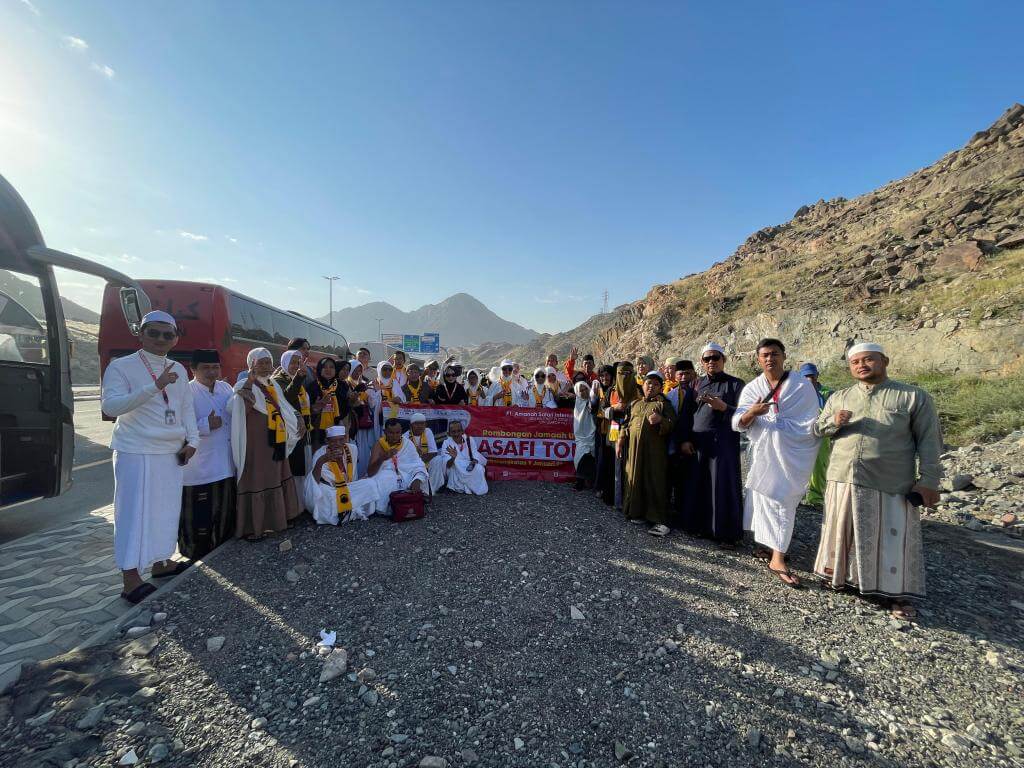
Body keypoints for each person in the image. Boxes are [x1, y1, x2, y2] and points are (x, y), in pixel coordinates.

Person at [812, 343, 941, 620]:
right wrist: (834, 421)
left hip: (890, 480)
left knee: (889, 538)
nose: (861, 365)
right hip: (843, 477)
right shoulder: (840, 397)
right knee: (841, 533)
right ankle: (841, 579)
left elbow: (930, 442)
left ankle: (893, 592)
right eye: (855, 362)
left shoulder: (912, 397)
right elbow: (817, 428)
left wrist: (929, 480)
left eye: (868, 359)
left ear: (884, 360)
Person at [101, 310, 199, 603]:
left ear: (176, 338)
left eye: (167, 334)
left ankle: (162, 562)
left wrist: (192, 439)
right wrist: (155, 386)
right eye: (153, 333)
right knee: (134, 514)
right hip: (136, 450)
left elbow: (186, 407)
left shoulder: (178, 369)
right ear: (140, 334)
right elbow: (112, 407)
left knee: (166, 511)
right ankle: (130, 578)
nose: (160, 339)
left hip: (170, 451)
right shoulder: (121, 367)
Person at [733, 339, 820, 588]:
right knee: (762, 499)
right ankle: (768, 548)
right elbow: (738, 421)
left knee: (783, 502)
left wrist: (778, 425)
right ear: (758, 359)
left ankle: (778, 557)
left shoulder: (801, 386)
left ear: (784, 356)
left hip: (791, 455)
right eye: (764, 355)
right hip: (763, 455)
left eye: (774, 354)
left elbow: (809, 422)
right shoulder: (753, 387)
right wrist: (753, 413)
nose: (769, 359)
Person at [230, 347, 302, 540]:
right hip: (256, 445)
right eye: (260, 363)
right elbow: (235, 411)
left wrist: (298, 419)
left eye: (268, 362)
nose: (264, 367)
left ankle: (280, 520)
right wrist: (247, 386)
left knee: (277, 475)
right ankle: (256, 527)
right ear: (251, 364)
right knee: (258, 479)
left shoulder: (273, 384)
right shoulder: (242, 385)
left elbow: (285, 407)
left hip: (275, 440)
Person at [180, 349, 236, 562]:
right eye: (206, 368)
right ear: (193, 369)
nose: (212, 372)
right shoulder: (186, 392)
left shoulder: (225, 388)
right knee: (198, 518)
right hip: (199, 469)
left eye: (215, 367)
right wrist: (204, 425)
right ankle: (195, 557)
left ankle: (220, 554)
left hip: (225, 464)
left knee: (223, 515)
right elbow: (175, 429)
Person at [689, 343, 745, 544]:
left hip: (724, 444)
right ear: (702, 363)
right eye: (707, 359)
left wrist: (724, 407)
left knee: (723, 486)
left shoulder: (736, 384)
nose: (711, 361)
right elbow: (689, 413)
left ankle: (727, 534)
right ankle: (702, 528)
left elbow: (745, 415)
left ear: (724, 360)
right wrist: (686, 439)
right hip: (700, 444)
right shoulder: (696, 384)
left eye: (715, 358)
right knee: (701, 485)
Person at [619, 372, 677, 537]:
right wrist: (621, 439)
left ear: (660, 388)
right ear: (642, 385)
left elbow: (673, 424)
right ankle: (637, 512)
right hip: (634, 450)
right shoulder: (635, 403)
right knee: (635, 478)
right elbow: (627, 422)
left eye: (655, 384)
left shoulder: (664, 404)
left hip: (655, 453)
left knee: (655, 481)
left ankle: (661, 521)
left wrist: (661, 420)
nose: (651, 386)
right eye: (648, 383)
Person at [305, 425, 378, 524]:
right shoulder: (320, 453)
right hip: (331, 490)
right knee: (323, 494)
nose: (337, 444)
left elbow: (352, 477)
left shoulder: (352, 449)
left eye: (340, 440)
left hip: (348, 486)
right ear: (327, 441)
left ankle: (347, 510)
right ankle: (347, 511)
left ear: (345, 439)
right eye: (333, 441)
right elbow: (314, 482)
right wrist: (322, 461)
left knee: (370, 483)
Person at [272, 350, 312, 506]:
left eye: (298, 362)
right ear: (284, 362)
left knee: (302, 465)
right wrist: (299, 377)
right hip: (289, 431)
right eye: (293, 362)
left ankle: (302, 503)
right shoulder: (278, 381)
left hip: (303, 430)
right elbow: (287, 398)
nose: (296, 365)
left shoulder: (298, 379)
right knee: (293, 467)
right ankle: (292, 505)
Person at [366, 417, 429, 513]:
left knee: (419, 478)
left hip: (405, 476)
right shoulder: (378, 445)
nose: (395, 436)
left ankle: (409, 503)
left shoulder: (407, 444)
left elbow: (418, 464)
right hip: (384, 477)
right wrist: (382, 458)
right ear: (385, 432)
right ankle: (389, 508)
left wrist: (417, 480)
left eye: (398, 433)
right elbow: (370, 472)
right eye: (391, 433)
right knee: (382, 481)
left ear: (401, 432)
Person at [665, 360, 697, 525]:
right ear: (675, 376)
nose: (684, 377)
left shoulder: (699, 393)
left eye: (687, 373)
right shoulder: (670, 395)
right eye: (680, 374)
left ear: (694, 374)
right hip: (674, 441)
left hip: (694, 441)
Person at [800, 362, 833, 507]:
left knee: (819, 466)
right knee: (797, 465)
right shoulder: (796, 394)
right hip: (801, 434)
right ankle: (796, 496)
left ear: (817, 376)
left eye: (812, 376)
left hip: (822, 435)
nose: (809, 380)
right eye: (806, 376)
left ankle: (816, 497)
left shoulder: (828, 393)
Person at [612, 361, 642, 510]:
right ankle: (617, 501)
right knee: (615, 466)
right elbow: (600, 410)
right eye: (620, 374)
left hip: (632, 433)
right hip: (613, 430)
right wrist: (614, 408)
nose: (623, 377)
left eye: (627, 374)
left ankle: (629, 502)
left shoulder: (639, 391)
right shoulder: (612, 391)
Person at [439, 419, 488, 494]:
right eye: (453, 432)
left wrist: (474, 462)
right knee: (454, 469)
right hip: (454, 467)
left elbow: (475, 454)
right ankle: (462, 487)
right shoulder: (446, 443)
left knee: (479, 468)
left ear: (462, 431)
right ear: (449, 433)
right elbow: (447, 465)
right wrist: (453, 458)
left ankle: (470, 487)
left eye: (458, 431)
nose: (456, 434)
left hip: (469, 465)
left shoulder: (469, 440)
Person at [592, 365, 617, 505]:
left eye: (607, 375)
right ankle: (600, 486)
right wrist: (594, 397)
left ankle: (611, 488)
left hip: (613, 428)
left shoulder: (615, 391)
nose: (604, 378)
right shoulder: (598, 390)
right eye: (602, 376)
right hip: (601, 429)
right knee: (601, 457)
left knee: (612, 456)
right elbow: (593, 409)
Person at [405, 412, 447, 492]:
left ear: (425, 424)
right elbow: (407, 457)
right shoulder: (405, 437)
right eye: (416, 424)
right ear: (411, 426)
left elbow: (434, 452)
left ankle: (433, 487)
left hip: (426, 460)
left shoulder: (427, 431)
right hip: (412, 464)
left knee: (438, 459)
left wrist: (421, 463)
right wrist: (419, 464)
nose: (420, 426)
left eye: (422, 423)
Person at [347, 360, 375, 477]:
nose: (358, 372)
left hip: (364, 425)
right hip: (352, 424)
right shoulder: (346, 384)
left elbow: (372, 404)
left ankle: (364, 475)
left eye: (360, 370)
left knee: (364, 452)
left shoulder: (364, 384)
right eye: (355, 370)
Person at [308, 357, 341, 449]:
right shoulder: (313, 386)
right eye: (325, 367)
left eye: (331, 367)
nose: (328, 370)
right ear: (319, 369)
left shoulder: (341, 386)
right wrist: (316, 408)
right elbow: (307, 409)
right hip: (317, 430)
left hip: (338, 430)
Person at [369, 360, 406, 437]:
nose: (388, 371)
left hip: (394, 416)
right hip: (380, 417)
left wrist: (399, 399)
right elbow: (372, 404)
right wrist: (379, 391)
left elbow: (402, 398)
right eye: (385, 369)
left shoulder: (395, 383)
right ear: (379, 370)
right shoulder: (374, 383)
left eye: (390, 369)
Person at [572, 380, 597, 490]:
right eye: (580, 390)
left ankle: (592, 481)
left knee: (592, 458)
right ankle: (580, 482)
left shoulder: (593, 400)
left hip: (593, 434)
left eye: (585, 389)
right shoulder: (578, 403)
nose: (583, 392)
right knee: (579, 457)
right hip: (581, 436)